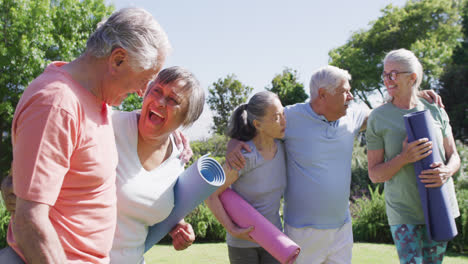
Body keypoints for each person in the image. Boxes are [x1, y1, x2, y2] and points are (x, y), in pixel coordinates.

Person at [0, 7, 171, 264]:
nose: (141, 92)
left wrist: (171, 136)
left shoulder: (98, 103)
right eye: (144, 80)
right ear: (118, 60)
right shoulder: (57, 104)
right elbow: (30, 221)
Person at [226, 66, 443, 264]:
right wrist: (234, 143)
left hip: (342, 230)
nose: (351, 97)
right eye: (345, 91)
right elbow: (257, 125)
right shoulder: (289, 117)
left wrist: (412, 95)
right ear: (322, 94)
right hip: (302, 232)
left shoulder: (354, 116)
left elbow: (385, 111)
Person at [366, 48, 460, 264]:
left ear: (412, 77)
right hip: (403, 212)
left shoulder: (435, 109)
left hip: (440, 205)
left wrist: (446, 171)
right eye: (385, 74)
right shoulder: (378, 118)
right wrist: (403, 158)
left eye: (393, 74)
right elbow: (374, 174)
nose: (387, 80)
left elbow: (453, 156)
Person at [109, 66, 204, 264]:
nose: (160, 102)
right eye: (157, 90)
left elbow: (146, 199)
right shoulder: (109, 125)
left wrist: (177, 226)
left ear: (186, 118)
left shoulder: (179, 157)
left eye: (172, 100)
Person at [206, 91, 287, 264]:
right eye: (276, 117)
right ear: (258, 124)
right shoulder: (245, 156)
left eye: (283, 114)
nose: (284, 121)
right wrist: (232, 228)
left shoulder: (284, 149)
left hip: (274, 240)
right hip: (243, 245)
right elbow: (210, 193)